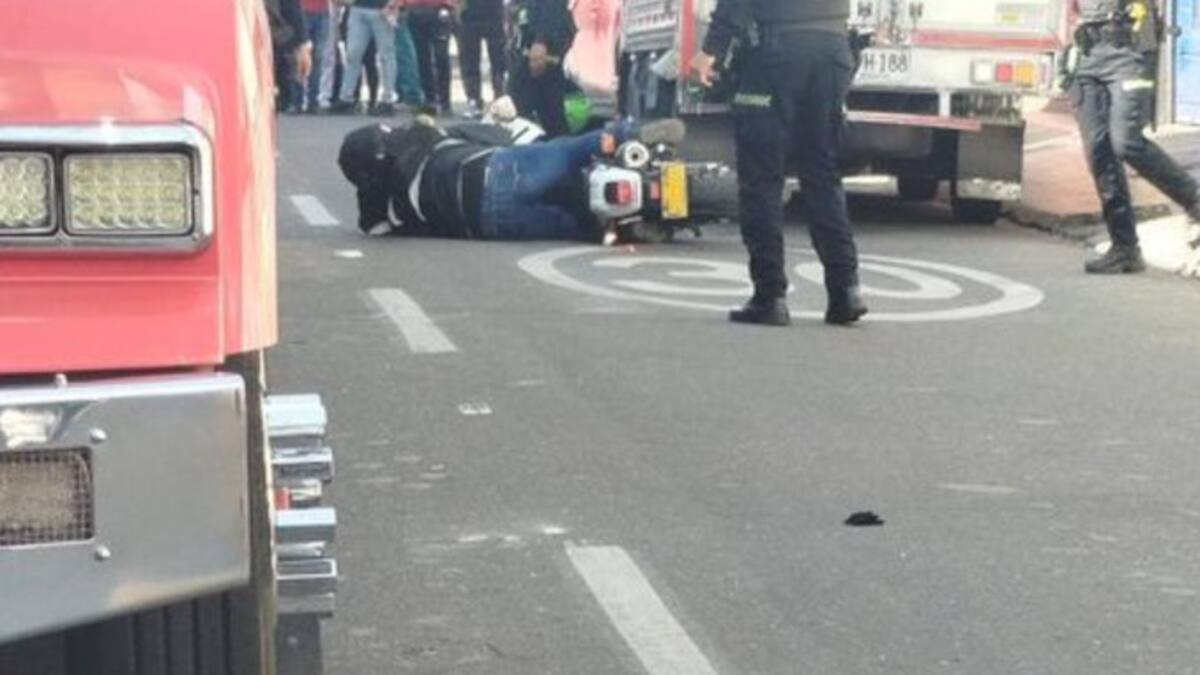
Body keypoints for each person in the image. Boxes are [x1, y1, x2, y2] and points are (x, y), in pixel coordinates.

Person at [690, 0, 865, 326]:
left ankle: (769, 296)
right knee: (822, 172)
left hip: (776, 54)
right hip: (833, 50)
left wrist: (712, 48)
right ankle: (846, 290)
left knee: (762, 177)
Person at [338, 115, 685, 239]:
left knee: (578, 226)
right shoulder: (422, 136)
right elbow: (480, 132)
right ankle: (628, 133)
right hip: (496, 170)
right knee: (571, 150)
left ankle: (625, 229)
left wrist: (370, 198)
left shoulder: (395, 208)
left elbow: (372, 226)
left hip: (486, 223)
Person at [1066, 0, 1200, 273]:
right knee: (1098, 150)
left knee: (1126, 141)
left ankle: (1194, 200)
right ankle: (1125, 248)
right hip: (1087, 50)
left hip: (1128, 47)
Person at [508, 0, 576, 137]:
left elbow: (554, 7)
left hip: (547, 54)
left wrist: (541, 40)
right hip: (530, 47)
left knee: (551, 115)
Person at [332, 0, 400, 115]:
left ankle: (388, 99)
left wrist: (394, 3)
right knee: (353, 54)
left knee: (386, 55)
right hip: (358, 7)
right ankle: (346, 98)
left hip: (382, 8)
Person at [457, 0, 508, 117]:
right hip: (469, 16)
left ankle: (500, 98)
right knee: (469, 61)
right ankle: (473, 100)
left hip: (494, 14)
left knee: (499, 61)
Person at [407, 0, 458, 114]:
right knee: (422, 59)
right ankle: (429, 99)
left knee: (441, 57)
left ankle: (445, 101)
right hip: (415, 11)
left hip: (440, 10)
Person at [300, 0, 333, 112]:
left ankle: (313, 100)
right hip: (303, 10)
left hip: (323, 12)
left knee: (318, 58)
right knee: (300, 55)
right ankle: (297, 100)